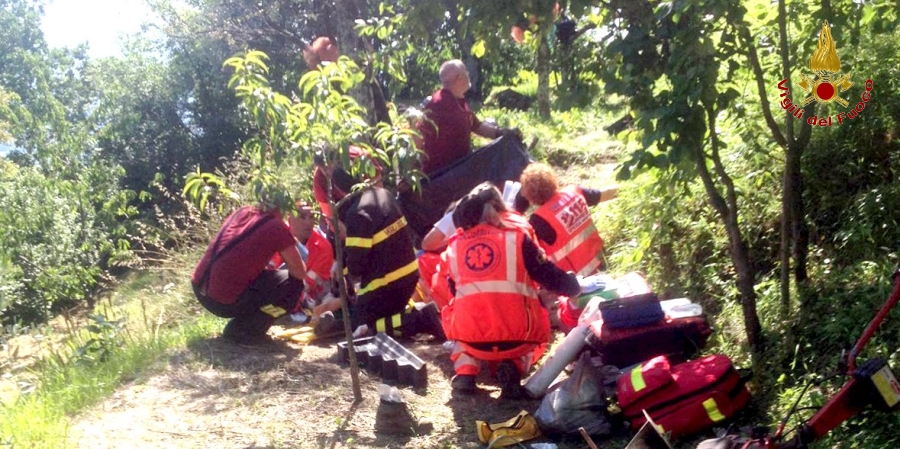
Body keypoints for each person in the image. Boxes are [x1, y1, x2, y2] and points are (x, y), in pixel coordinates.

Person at [441, 183, 581, 399]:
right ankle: (514, 366)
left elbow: (453, 291)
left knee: (458, 317)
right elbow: (548, 275)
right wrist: (573, 286)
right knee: (534, 334)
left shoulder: (454, 247)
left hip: (472, 338)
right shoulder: (517, 238)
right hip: (517, 338)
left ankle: (466, 372)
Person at [320, 169, 445, 340]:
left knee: (360, 326)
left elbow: (356, 267)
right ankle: (416, 314)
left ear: (339, 190)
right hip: (408, 275)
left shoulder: (357, 213)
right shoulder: (383, 194)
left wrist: (343, 267)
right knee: (375, 316)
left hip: (386, 284)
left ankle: (421, 319)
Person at [191, 204, 307, 345]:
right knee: (294, 285)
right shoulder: (276, 226)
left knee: (270, 278)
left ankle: (245, 323)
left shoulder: (243, 211)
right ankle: (247, 329)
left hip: (199, 287)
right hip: (222, 301)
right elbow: (300, 272)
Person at [416, 59, 521, 175]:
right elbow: (417, 134)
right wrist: (413, 172)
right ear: (459, 78)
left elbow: (477, 126)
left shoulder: (459, 101)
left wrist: (502, 132)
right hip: (440, 175)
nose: (468, 74)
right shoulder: (437, 104)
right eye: (466, 71)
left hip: (461, 168)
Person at [518, 162, 618, 276]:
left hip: (577, 282)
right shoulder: (574, 192)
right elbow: (605, 194)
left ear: (529, 195)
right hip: (603, 264)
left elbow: (521, 248)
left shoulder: (539, 220)